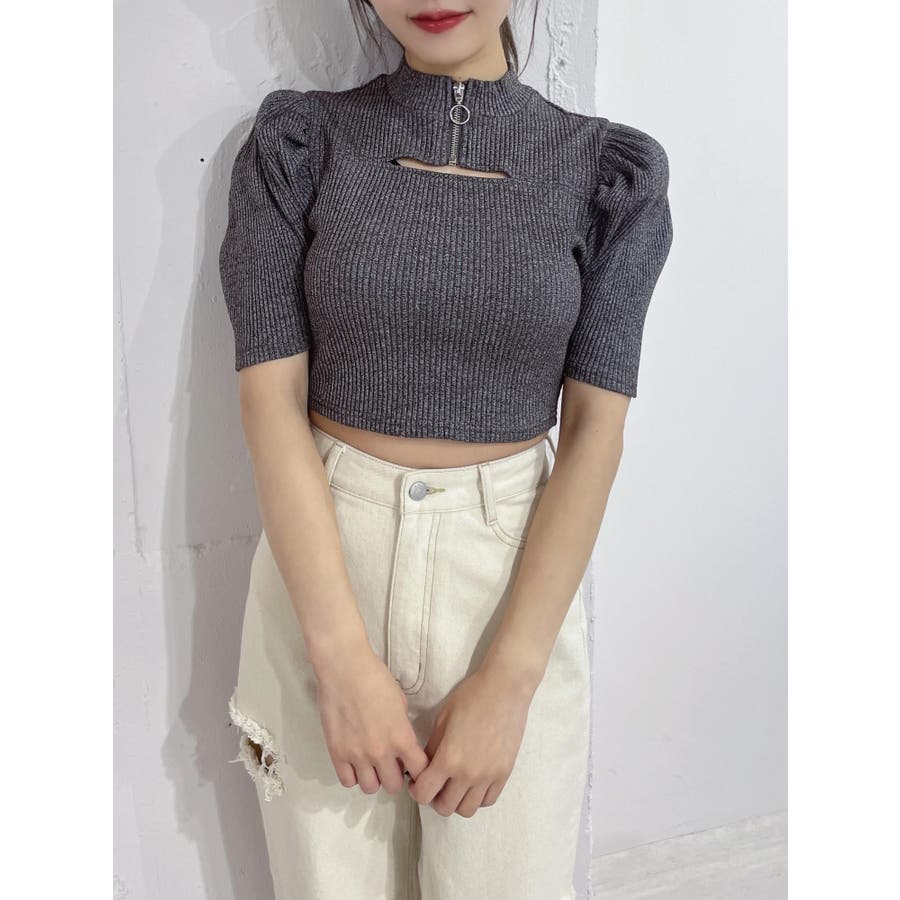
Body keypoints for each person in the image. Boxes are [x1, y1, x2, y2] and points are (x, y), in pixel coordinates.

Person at [218, 2, 673, 897]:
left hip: (510, 585)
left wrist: (510, 680)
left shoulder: (606, 172)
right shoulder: (298, 145)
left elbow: (595, 428)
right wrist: (339, 659)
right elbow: (270, 400)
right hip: (324, 568)